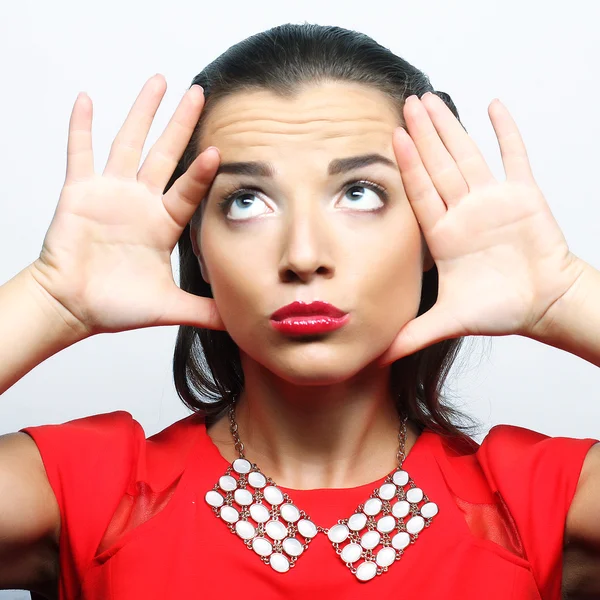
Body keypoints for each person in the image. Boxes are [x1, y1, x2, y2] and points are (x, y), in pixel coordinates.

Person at [0, 22, 599, 600]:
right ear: (200, 250)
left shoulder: (537, 502)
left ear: (431, 236)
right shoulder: (86, 492)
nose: (303, 255)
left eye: (359, 193)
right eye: (246, 201)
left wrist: (565, 295)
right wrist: (51, 298)